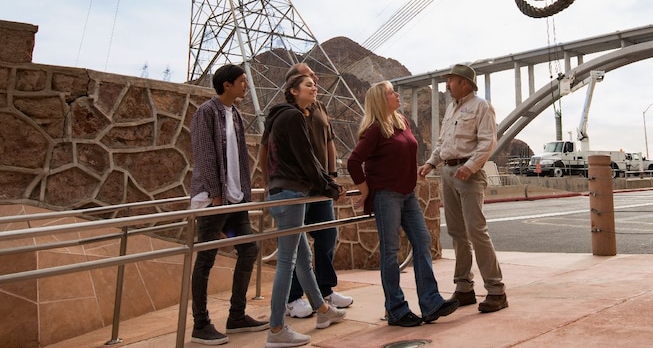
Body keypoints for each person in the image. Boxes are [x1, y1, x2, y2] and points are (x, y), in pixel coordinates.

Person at [348, 81, 460, 327]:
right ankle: (396, 310)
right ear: (380, 100)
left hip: (407, 194)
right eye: (391, 92)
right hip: (386, 195)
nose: (396, 94)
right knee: (390, 252)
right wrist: (365, 189)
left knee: (422, 241)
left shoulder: (401, 122)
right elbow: (354, 161)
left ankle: (430, 304)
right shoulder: (376, 129)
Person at [258, 64, 353, 321]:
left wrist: (330, 179)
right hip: (294, 191)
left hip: (303, 188)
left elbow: (321, 151)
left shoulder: (310, 111)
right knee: (289, 260)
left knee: (307, 252)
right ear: (293, 88)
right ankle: (279, 324)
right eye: (309, 81)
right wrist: (330, 187)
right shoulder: (291, 116)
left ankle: (322, 307)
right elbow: (305, 159)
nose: (316, 83)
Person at [189, 64, 269, 345]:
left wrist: (242, 195)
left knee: (249, 249)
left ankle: (236, 316)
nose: (246, 86)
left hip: (236, 199)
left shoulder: (234, 113)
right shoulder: (206, 113)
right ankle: (200, 324)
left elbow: (238, 159)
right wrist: (215, 195)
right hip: (215, 200)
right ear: (227, 85)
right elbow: (204, 155)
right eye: (242, 81)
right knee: (206, 258)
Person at [417, 64, 507, 313]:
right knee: (457, 233)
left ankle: (496, 290)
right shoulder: (451, 109)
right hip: (448, 172)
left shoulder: (481, 106)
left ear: (466, 83)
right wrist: (430, 163)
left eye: (452, 80)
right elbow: (442, 142)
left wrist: (470, 166)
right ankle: (464, 287)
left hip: (469, 175)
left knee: (476, 231)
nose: (448, 85)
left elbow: (488, 141)